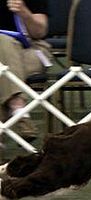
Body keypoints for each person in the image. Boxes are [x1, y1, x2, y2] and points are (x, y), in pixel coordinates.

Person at [0, 0, 51, 142]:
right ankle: (19, 108)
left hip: (31, 50)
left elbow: (39, 32)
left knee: (2, 42)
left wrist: (23, 12)